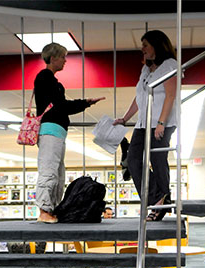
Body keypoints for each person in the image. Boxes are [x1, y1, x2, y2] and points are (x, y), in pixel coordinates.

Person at [35, 42, 105, 223]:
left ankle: (52, 209)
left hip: (57, 132)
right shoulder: (44, 78)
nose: (65, 61)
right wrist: (85, 103)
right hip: (50, 130)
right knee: (49, 170)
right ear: (53, 58)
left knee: (58, 173)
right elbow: (61, 106)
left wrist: (85, 102)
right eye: (62, 57)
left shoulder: (52, 80)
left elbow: (62, 106)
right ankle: (44, 210)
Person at [113, 30, 177, 221]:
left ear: (157, 45)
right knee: (132, 161)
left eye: (145, 45)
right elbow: (139, 97)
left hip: (161, 122)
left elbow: (170, 95)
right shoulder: (146, 70)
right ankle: (158, 198)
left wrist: (161, 123)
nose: (142, 49)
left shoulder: (170, 65)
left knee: (157, 160)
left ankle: (160, 202)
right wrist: (125, 118)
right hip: (142, 124)